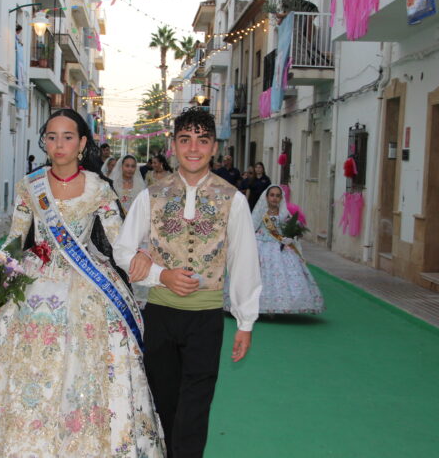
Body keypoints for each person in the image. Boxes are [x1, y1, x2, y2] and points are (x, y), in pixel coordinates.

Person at [0, 109, 164, 457]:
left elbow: (119, 245)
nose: (59, 145)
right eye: (52, 137)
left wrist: (143, 256)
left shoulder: (99, 188)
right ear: (44, 142)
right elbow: (14, 242)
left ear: (82, 143)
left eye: (68, 137)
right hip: (32, 283)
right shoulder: (31, 185)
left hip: (86, 285)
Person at [114, 108, 261, 458]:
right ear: (174, 146)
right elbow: (122, 251)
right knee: (164, 406)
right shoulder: (151, 195)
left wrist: (245, 321)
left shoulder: (234, 200)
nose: (193, 148)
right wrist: (160, 275)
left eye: (202, 140)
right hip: (160, 316)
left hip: (206, 320)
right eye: (185, 140)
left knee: (196, 407)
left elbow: (244, 262)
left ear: (213, 148)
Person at [251, 185, 325, 315]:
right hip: (261, 245)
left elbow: (292, 230)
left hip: (281, 247)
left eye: (277, 195)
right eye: (272, 195)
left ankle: (281, 304)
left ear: (281, 198)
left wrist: (291, 238)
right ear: (267, 197)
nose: (274, 198)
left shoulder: (285, 214)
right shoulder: (260, 213)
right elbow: (251, 229)